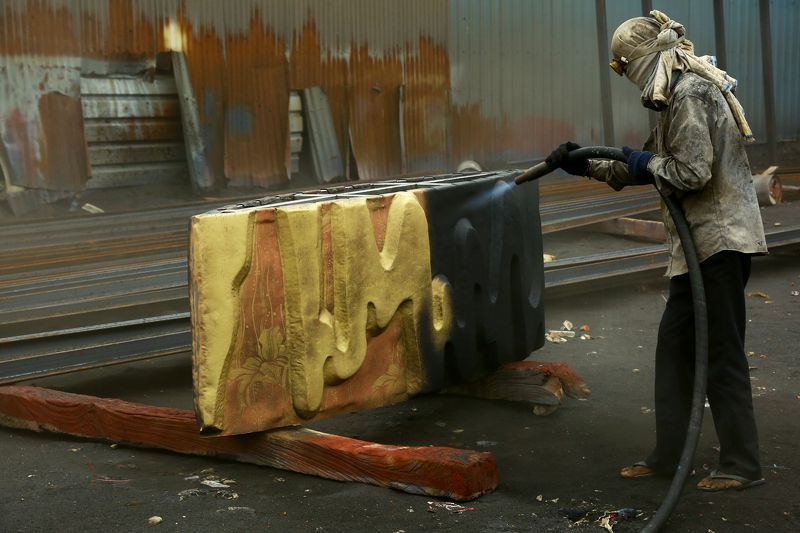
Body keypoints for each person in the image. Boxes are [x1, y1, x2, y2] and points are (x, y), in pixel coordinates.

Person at [547, 10, 767, 492]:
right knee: (674, 354)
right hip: (696, 250)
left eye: (624, 68)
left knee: (721, 354)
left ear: (639, 59)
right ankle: (668, 457)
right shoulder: (675, 96)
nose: (627, 78)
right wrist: (584, 164)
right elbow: (643, 166)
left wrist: (643, 161)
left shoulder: (691, 93)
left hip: (720, 243)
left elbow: (690, 173)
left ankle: (742, 464)